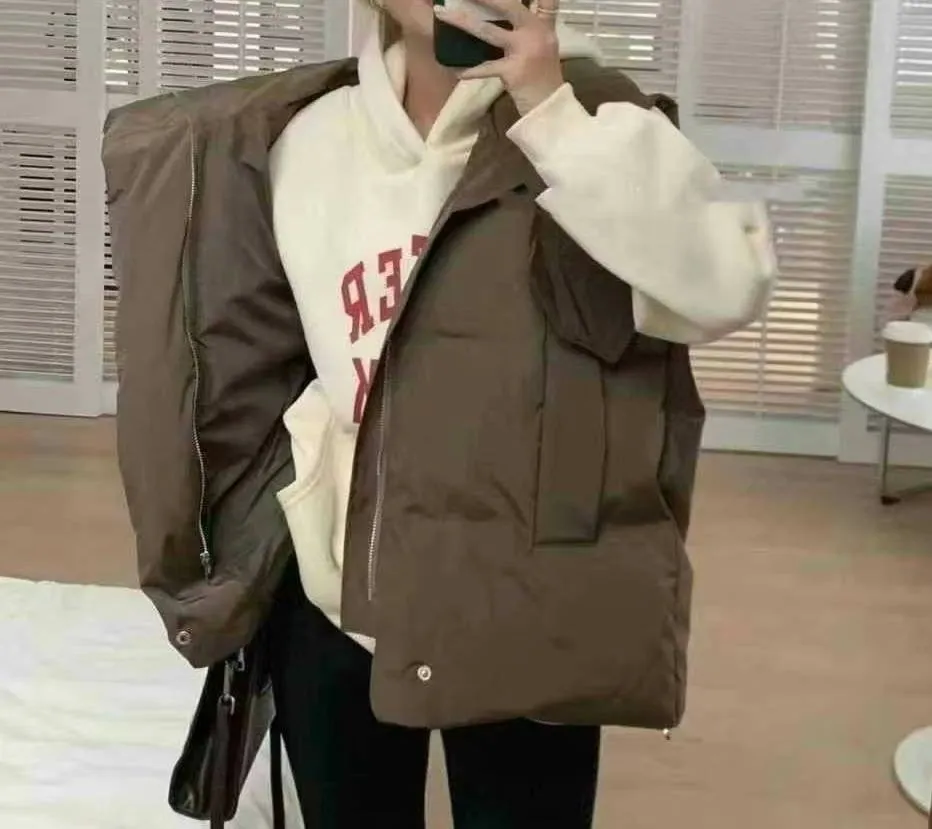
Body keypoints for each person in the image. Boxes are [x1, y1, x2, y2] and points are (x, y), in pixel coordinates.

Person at [102, 0, 777, 827]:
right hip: (336, 591)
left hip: (524, 596)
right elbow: (262, 360)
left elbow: (724, 286)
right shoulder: (302, 141)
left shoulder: (598, 118)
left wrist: (549, 112)